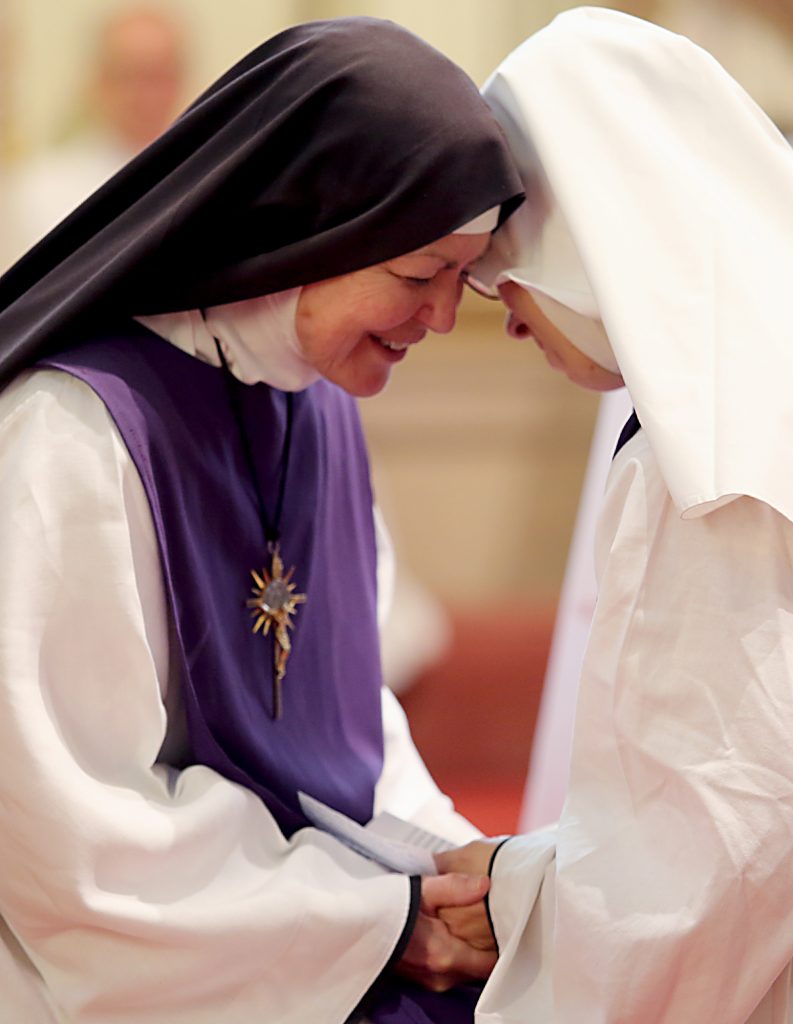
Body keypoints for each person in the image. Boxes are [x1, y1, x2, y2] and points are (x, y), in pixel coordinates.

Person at [0, 16, 523, 1023]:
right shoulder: (72, 437)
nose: (443, 319)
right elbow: (67, 832)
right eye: (419, 276)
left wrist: (448, 864)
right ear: (309, 230)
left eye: (465, 277)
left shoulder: (319, 406)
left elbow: (350, 718)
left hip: (319, 924)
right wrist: (373, 920)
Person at [436, 8, 793, 1021]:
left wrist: (519, 895)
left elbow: (772, 833)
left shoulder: (717, 458)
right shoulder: (777, 379)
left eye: (509, 258)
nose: (496, 306)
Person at [3, 6, 187, 268]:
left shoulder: (210, 173)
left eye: (161, 74)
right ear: (100, 80)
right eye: (131, 75)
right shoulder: (37, 189)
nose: (148, 94)